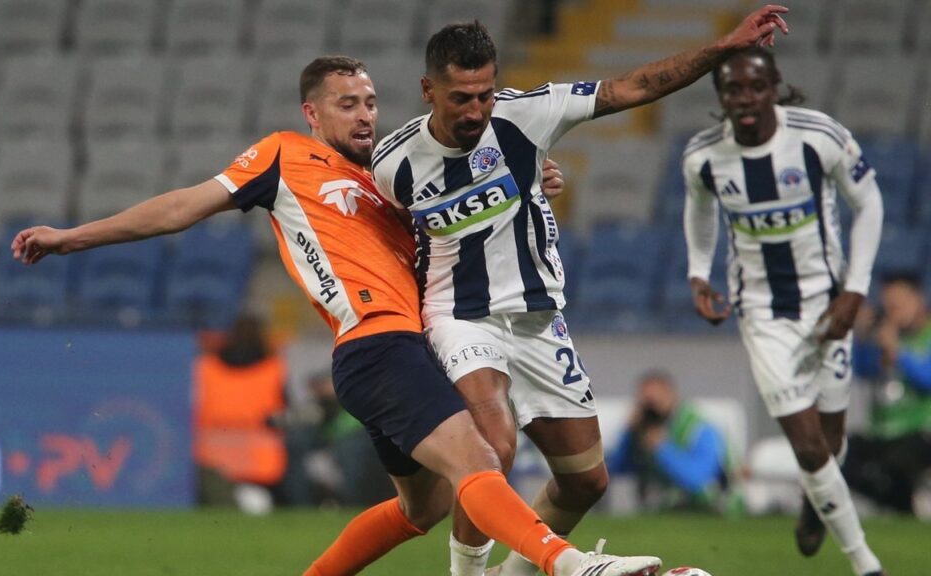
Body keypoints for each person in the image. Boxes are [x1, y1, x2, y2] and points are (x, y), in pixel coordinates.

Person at [12, 56, 662, 576]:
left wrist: (530, 181)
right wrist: (72, 237)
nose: (365, 114)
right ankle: (569, 565)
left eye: (371, 102)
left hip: (409, 348)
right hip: (376, 344)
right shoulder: (283, 155)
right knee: (478, 460)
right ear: (312, 113)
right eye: (347, 104)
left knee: (423, 508)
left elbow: (464, 228)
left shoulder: (390, 178)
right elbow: (183, 206)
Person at [370, 7, 789, 575]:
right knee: (492, 445)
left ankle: (513, 574)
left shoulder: (526, 117)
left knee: (585, 480)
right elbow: (390, 234)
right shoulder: (393, 163)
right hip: (460, 318)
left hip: (539, 319)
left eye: (484, 95)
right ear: (429, 91)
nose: (475, 111)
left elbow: (632, 87)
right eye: (460, 98)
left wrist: (723, 48)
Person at [681, 46, 885, 575]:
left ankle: (814, 504)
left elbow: (869, 203)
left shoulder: (819, 137)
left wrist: (855, 292)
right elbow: (699, 211)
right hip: (762, 313)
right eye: (733, 89)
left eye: (756, 87)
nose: (746, 99)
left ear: (775, 88)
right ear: (721, 96)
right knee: (809, 445)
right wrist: (699, 273)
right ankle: (866, 563)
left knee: (830, 440)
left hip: (828, 306)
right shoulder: (704, 156)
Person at [845, 271, 931, 515]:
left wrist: (898, 352)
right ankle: (898, 506)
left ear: (917, 300)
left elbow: (927, 379)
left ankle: (905, 506)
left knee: (898, 464)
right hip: (882, 431)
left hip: (919, 431)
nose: (894, 312)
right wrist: (862, 339)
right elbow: (862, 372)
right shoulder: (883, 336)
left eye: (899, 305)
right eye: (889, 305)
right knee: (841, 457)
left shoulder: (925, 336)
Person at [192, 314, 288, 512]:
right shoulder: (274, 367)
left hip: (211, 456)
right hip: (262, 458)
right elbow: (283, 413)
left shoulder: (205, 367)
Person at [607, 371, 739, 514]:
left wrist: (661, 448)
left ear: (671, 396)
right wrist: (629, 434)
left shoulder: (699, 429)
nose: (651, 410)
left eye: (655, 402)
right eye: (645, 404)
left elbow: (698, 481)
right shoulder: (643, 432)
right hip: (665, 510)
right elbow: (616, 468)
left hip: (712, 510)